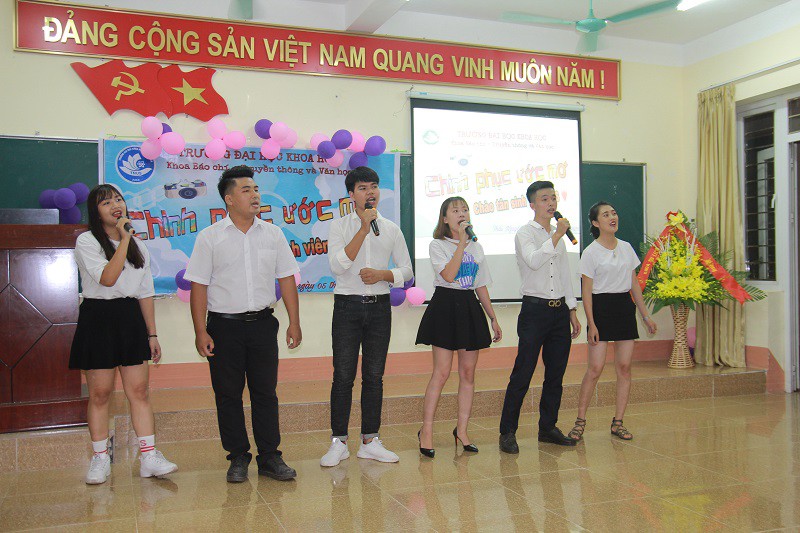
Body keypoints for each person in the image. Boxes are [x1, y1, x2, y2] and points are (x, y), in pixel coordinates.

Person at [185, 165, 302, 483]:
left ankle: (270, 456)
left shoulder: (273, 234)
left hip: (263, 324)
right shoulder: (210, 237)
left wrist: (294, 322)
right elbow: (199, 286)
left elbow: (286, 279)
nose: (255, 195)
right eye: (246, 190)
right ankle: (237, 456)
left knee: (266, 392)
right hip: (224, 327)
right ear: (229, 199)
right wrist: (200, 330)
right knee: (228, 394)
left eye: (256, 189)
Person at [70, 184, 177, 485]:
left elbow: (145, 292)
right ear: (95, 212)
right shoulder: (87, 241)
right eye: (106, 203)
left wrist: (152, 335)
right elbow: (107, 278)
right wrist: (125, 238)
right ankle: (100, 458)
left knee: (139, 391)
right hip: (98, 317)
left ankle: (149, 457)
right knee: (100, 393)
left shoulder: (138, 246)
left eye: (118, 199)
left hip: (130, 318)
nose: (116, 205)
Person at [320, 166, 413, 467]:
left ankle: (370, 441)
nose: (370, 192)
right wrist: (363, 229)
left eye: (373, 186)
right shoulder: (339, 227)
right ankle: (339, 442)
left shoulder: (391, 228)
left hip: (379, 308)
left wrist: (383, 274)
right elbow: (338, 266)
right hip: (347, 306)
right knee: (343, 376)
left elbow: (407, 271)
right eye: (362, 188)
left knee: (374, 376)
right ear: (352, 194)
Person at [415, 196, 502, 458]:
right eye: (455, 210)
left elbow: (480, 284)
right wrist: (461, 244)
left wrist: (492, 317)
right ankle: (426, 431)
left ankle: (462, 430)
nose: (461, 213)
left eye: (465, 209)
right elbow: (449, 275)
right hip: (445, 307)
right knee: (441, 373)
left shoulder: (477, 246)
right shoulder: (437, 244)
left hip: (468, 306)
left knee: (468, 373)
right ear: (445, 218)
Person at [499, 180, 582, 453]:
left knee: (555, 374)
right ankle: (507, 432)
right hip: (534, 311)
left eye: (553, 198)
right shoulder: (525, 233)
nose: (551, 203)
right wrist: (556, 236)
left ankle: (548, 428)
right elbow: (534, 261)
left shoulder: (558, 237)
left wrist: (572, 310)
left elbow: (565, 275)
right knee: (523, 373)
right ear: (532, 204)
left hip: (559, 312)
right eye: (545, 199)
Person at [568, 202, 657, 442]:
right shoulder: (591, 252)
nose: (612, 217)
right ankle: (580, 421)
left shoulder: (626, 247)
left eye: (614, 213)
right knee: (595, 368)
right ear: (596, 223)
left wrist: (645, 315)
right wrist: (592, 323)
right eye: (606, 215)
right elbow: (587, 292)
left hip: (624, 308)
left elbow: (634, 283)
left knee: (624, 367)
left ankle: (618, 422)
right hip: (601, 308)